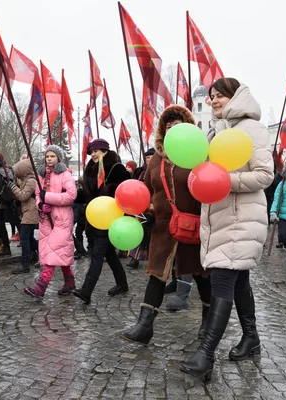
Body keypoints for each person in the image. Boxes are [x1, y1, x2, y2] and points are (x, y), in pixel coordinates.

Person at [180, 78, 273, 381]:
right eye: (211, 97)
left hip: (242, 217)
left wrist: (223, 182)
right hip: (221, 217)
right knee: (239, 279)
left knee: (222, 279)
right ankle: (251, 339)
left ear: (235, 97)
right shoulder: (218, 131)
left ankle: (206, 355)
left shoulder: (252, 129)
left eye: (219, 96)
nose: (214, 101)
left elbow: (264, 175)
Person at [119, 105, 210, 345]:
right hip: (162, 227)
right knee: (156, 275)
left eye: (178, 125)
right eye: (168, 126)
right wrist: (145, 208)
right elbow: (146, 189)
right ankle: (144, 326)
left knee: (201, 275)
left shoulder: (198, 154)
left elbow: (208, 187)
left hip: (193, 225)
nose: (173, 130)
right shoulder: (157, 159)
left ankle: (209, 324)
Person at [73, 138, 131, 304]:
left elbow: (124, 189)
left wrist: (109, 189)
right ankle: (122, 284)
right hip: (95, 217)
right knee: (110, 255)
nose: (93, 154)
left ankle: (86, 291)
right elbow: (88, 195)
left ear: (105, 151)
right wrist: (74, 195)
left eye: (96, 151)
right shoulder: (91, 169)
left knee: (97, 254)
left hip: (110, 217)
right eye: (90, 152)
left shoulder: (116, 167)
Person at [23, 145, 77, 299]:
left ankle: (41, 286)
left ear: (58, 158)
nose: (49, 159)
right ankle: (69, 282)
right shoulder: (41, 175)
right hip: (46, 218)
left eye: (53, 156)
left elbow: (71, 195)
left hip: (62, 218)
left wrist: (49, 198)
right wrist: (40, 204)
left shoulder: (65, 174)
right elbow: (38, 194)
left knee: (54, 250)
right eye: (47, 156)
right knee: (58, 252)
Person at [9, 158, 39, 274]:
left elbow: (23, 196)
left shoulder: (31, 181)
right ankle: (42, 253)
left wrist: (13, 187)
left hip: (31, 212)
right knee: (29, 237)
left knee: (24, 237)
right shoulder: (26, 180)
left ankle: (25, 264)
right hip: (27, 211)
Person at [126, 148, 155, 269]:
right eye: (147, 157)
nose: (149, 159)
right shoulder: (142, 173)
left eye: (151, 157)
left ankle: (152, 259)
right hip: (142, 207)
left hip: (154, 207)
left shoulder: (157, 171)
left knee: (152, 234)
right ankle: (135, 258)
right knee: (139, 230)